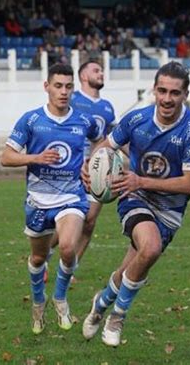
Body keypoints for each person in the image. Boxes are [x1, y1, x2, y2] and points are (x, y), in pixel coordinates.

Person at [81, 61, 190, 347]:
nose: (166, 98)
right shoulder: (136, 119)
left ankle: (101, 303)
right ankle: (117, 317)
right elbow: (107, 146)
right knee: (149, 249)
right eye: (161, 91)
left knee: (132, 265)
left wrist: (142, 180)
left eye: (174, 93)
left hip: (170, 210)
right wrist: (89, 166)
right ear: (154, 90)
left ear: (185, 94)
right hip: (134, 197)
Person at [0, 63, 103, 335]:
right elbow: (6, 157)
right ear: (47, 87)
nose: (64, 91)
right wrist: (35, 157)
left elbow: (102, 141)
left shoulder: (82, 120)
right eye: (58, 86)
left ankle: (60, 297)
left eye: (69, 86)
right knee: (38, 257)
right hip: (37, 201)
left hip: (72, 196)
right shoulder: (32, 120)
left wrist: (93, 162)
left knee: (68, 247)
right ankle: (38, 301)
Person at [46, 61, 116, 276]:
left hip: (97, 169)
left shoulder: (107, 107)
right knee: (69, 216)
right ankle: (46, 253)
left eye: (102, 70)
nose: (101, 73)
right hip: (72, 167)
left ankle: (69, 269)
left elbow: (110, 138)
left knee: (90, 221)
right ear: (83, 75)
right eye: (96, 70)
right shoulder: (73, 100)